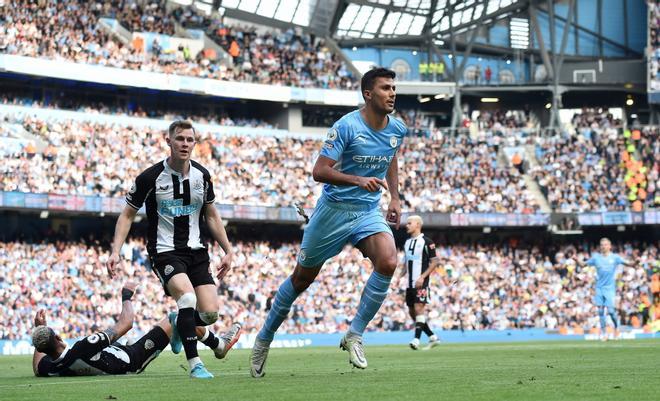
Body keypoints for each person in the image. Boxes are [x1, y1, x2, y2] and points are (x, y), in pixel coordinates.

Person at [250, 67, 407, 377]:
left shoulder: (397, 129)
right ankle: (264, 337)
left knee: (388, 261)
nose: (392, 93)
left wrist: (396, 197)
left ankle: (354, 334)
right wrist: (357, 180)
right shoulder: (345, 127)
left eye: (393, 87)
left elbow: (392, 156)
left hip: (367, 213)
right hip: (332, 212)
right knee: (301, 280)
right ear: (368, 94)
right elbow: (319, 171)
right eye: (385, 88)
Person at [106, 120, 235, 378]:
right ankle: (195, 364)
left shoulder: (203, 176)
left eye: (189, 139)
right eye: (180, 139)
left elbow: (211, 214)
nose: (185, 144)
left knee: (208, 314)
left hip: (197, 251)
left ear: (195, 143)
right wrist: (115, 251)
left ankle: (179, 322)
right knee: (186, 298)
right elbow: (128, 215)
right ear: (168, 141)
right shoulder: (149, 178)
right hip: (164, 251)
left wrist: (228, 249)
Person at [31, 281, 242, 377]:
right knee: (179, 317)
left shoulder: (49, 368)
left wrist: (39, 333)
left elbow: (37, 364)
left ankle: (184, 334)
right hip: (133, 358)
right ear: (58, 337)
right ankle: (218, 345)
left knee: (177, 319)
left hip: (120, 353)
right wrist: (126, 297)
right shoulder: (82, 347)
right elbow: (126, 323)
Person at [577, 238, 636, 341]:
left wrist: (636, 261)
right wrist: (575, 259)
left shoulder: (615, 257)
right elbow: (582, 265)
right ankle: (604, 334)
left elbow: (630, 264)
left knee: (611, 311)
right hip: (599, 288)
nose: (603, 246)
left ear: (610, 246)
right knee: (600, 311)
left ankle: (616, 328)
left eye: (605, 245)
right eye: (602, 245)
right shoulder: (596, 258)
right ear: (600, 247)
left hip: (609, 288)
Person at [396, 215, 440, 350]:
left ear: (417, 225)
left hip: (422, 282)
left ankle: (416, 339)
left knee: (419, 308)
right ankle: (433, 337)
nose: (407, 225)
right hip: (409, 284)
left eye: (410, 223)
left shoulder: (427, 242)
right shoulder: (407, 243)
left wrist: (422, 277)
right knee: (412, 312)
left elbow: (434, 262)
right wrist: (399, 276)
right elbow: (406, 263)